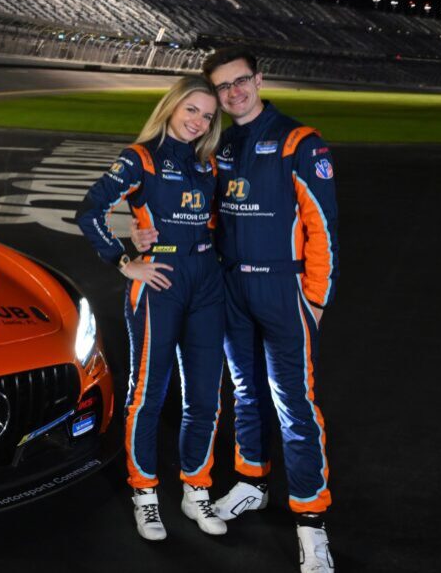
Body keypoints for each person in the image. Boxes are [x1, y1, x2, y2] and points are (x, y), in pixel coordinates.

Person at [134, 48, 338, 572]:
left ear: (259, 80)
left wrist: (315, 298)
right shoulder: (216, 146)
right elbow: (186, 207)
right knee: (246, 393)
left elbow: (323, 227)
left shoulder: (299, 140)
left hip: (283, 288)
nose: (234, 92)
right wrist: (137, 238)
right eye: (223, 87)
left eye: (241, 80)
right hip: (229, 289)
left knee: (294, 403)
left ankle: (311, 521)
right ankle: (251, 481)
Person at [76, 76, 227, 541]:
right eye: (191, 110)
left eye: (207, 116)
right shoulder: (140, 158)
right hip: (160, 282)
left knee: (205, 396)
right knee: (148, 395)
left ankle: (196, 488)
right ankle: (144, 494)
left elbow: (215, 221)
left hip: (208, 284)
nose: (198, 122)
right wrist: (126, 260)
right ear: (172, 106)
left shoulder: (209, 163)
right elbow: (90, 211)